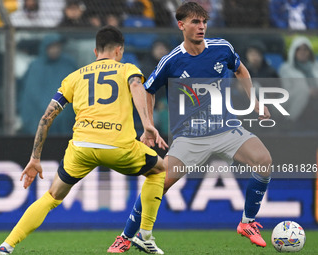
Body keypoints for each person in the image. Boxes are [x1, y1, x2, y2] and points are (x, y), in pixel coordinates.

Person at [108, 2, 273, 252]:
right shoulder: (170, 61)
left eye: (204, 22)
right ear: (181, 25)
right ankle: (127, 236)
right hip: (190, 137)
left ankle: (247, 222)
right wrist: (149, 125)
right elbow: (148, 90)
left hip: (225, 128)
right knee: (158, 182)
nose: (201, 27)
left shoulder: (222, 48)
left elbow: (241, 70)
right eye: (195, 22)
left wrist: (254, 101)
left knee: (264, 161)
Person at [0, 26, 167, 255]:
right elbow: (136, 85)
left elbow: (46, 117)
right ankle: (144, 236)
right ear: (119, 50)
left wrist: (35, 158)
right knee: (160, 170)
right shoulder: (127, 69)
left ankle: (7, 245)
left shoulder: (74, 76)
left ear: (95, 51)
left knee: (52, 196)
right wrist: (147, 123)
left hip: (82, 148)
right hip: (119, 145)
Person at [18, 34, 77, 135]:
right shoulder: (35, 66)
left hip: (64, 122)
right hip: (38, 119)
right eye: (51, 46)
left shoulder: (69, 64)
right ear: (45, 47)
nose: (55, 50)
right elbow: (29, 95)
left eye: (57, 46)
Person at [279, 36, 318, 131]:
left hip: (315, 101)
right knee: (303, 91)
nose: (302, 52)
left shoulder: (315, 66)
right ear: (294, 51)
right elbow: (285, 92)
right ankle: (289, 122)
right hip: (292, 102)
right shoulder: (286, 69)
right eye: (299, 49)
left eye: (305, 49)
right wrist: (308, 92)